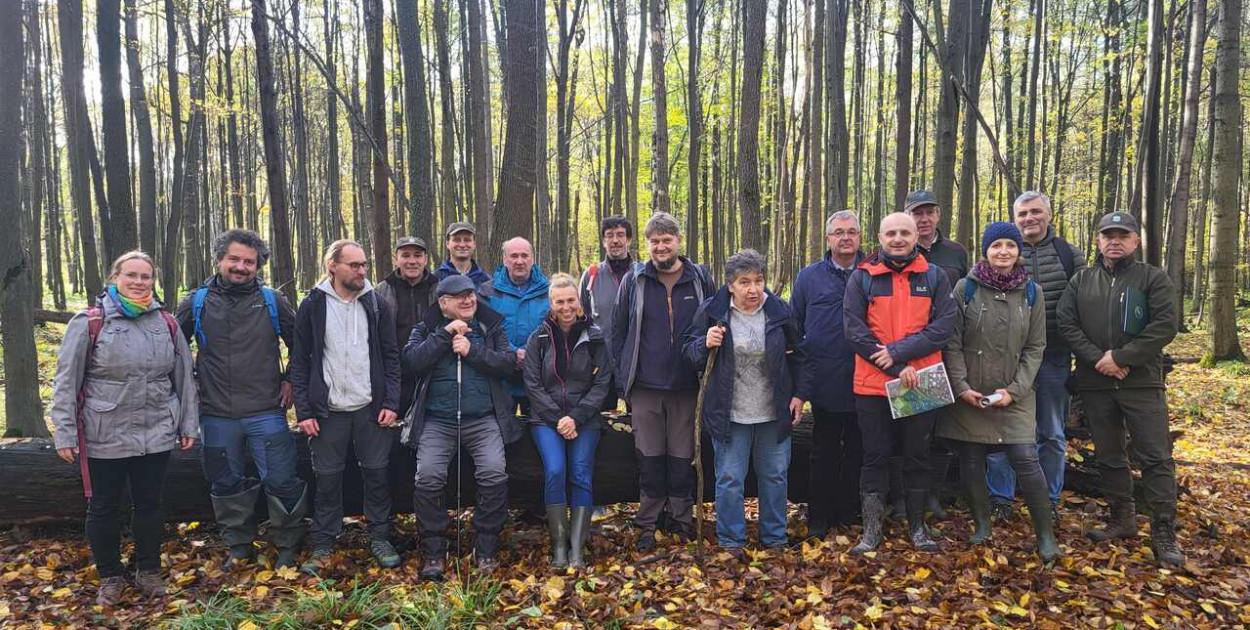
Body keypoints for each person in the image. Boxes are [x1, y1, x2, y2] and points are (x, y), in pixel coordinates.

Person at [50, 251, 198, 605]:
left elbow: (183, 378)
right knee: (103, 507)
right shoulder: (89, 322)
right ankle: (110, 577)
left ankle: (147, 571)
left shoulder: (167, 323)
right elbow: (66, 381)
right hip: (104, 432)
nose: (138, 282)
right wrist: (65, 432)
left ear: (153, 281)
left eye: (145, 276)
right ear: (115, 277)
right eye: (131, 275)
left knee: (149, 504)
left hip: (156, 430)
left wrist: (188, 423)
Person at [1057, 211, 1183, 567]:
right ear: (1098, 240)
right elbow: (1067, 323)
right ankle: (1121, 519)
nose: (1114, 241)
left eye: (1122, 235)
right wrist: (1099, 359)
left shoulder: (1152, 278)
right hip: (1096, 383)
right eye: (1108, 235)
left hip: (1141, 382)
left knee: (1155, 457)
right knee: (1110, 456)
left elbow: (1165, 325)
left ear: (1135, 241)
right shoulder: (1082, 281)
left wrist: (1124, 357)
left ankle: (1163, 530)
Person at [175, 229, 305, 569]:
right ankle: (239, 547)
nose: (241, 267)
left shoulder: (273, 301)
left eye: (249, 262)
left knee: (281, 479)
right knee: (225, 482)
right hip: (216, 413)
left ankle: (288, 546)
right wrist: (189, 387)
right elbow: (172, 351)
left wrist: (290, 379)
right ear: (219, 259)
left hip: (266, 411)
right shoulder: (196, 302)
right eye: (234, 259)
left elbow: (302, 347)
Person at [938, 222, 1060, 562]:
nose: (1003, 251)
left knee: (1025, 457)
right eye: (996, 246)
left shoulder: (1033, 293)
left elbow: (1036, 348)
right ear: (986, 250)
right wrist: (961, 388)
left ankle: (1045, 534)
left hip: (1015, 394)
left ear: (1018, 250)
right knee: (972, 459)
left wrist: (1015, 390)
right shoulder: (966, 288)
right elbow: (952, 342)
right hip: (970, 391)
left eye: (1009, 245)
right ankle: (982, 525)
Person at [843, 213, 956, 554]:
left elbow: (943, 328)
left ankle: (918, 529)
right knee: (874, 456)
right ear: (878, 237)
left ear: (915, 236)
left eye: (904, 232)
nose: (897, 238)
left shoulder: (935, 276)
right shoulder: (862, 278)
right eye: (890, 232)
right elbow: (854, 331)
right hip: (873, 384)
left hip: (922, 381)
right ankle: (872, 532)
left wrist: (898, 354)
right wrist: (895, 366)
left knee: (918, 455)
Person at [290, 240, 402, 573]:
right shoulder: (312, 305)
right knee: (326, 480)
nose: (361, 271)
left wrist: (392, 402)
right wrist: (305, 410)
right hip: (328, 412)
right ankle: (323, 544)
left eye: (363, 264)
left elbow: (391, 356)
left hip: (370, 409)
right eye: (353, 265)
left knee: (378, 476)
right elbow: (299, 360)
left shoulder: (376, 304)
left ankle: (380, 538)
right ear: (332, 266)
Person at [402, 275, 522, 580]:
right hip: (436, 421)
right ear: (444, 303)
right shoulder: (426, 327)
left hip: (483, 420)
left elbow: (508, 363)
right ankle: (433, 554)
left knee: (494, 473)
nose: (469, 300)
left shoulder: (492, 326)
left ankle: (486, 550)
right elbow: (412, 362)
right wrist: (444, 336)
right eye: (460, 297)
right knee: (428, 477)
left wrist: (472, 351)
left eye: (471, 295)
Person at [684, 250, 804, 552]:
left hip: (773, 412)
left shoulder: (779, 311)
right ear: (730, 285)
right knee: (729, 479)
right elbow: (688, 351)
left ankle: (775, 539)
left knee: (775, 477)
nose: (753, 289)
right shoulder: (713, 311)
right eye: (744, 282)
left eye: (759, 281)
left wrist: (800, 395)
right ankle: (731, 542)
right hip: (729, 413)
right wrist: (703, 343)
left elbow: (800, 356)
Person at [611, 211, 716, 552]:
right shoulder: (635, 280)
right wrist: (621, 382)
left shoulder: (699, 279)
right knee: (650, 457)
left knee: (683, 457)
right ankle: (648, 523)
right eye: (654, 242)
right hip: (645, 387)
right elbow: (619, 332)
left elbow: (715, 323)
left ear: (678, 241)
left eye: (666, 240)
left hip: (688, 386)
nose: (660, 247)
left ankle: (682, 520)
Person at [987, 191, 1085, 523]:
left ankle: (1048, 499)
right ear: (1014, 219)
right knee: (1002, 431)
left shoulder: (1068, 255)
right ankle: (1001, 498)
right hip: (1007, 359)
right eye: (1023, 214)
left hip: (1054, 357)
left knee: (1052, 433)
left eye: (1036, 212)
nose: (1029, 218)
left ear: (1049, 214)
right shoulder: (1003, 254)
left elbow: (1086, 304)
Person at [522, 273, 613, 568]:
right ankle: (559, 546)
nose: (566, 307)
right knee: (556, 470)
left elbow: (603, 384)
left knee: (581, 473)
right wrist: (558, 419)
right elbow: (532, 385)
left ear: (579, 301)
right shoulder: (538, 338)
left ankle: (577, 549)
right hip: (546, 420)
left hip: (584, 419)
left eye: (571, 300)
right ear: (551, 304)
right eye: (560, 301)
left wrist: (575, 417)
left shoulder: (595, 337)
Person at [791, 211, 866, 539]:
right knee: (822, 451)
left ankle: (849, 512)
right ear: (828, 239)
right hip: (823, 380)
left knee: (859, 450)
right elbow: (795, 327)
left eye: (851, 232)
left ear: (860, 237)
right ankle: (819, 516)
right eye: (838, 232)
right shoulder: (809, 277)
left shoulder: (873, 273)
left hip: (868, 379)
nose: (845, 237)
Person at [903, 189, 968, 520]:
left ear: (939, 215)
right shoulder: (898, 250)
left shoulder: (956, 253)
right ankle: (903, 499)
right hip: (908, 358)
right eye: (917, 213)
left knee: (938, 432)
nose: (923, 219)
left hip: (946, 353)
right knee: (910, 430)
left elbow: (968, 300)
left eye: (929, 212)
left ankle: (932, 496)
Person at [579, 216, 642, 410]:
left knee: (639, 421)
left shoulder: (643, 274)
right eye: (610, 235)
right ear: (603, 241)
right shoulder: (591, 275)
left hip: (637, 363)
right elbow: (581, 319)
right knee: (602, 422)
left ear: (629, 240)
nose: (615, 240)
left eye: (621, 235)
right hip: (601, 362)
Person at [375, 236, 440, 414]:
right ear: (396, 259)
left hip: (432, 376)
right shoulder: (381, 291)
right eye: (405, 255)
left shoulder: (439, 290)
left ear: (425, 260)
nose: (412, 261)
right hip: (393, 377)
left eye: (417, 255)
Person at [490, 237, 551, 411]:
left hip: (539, 378)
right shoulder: (488, 291)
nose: (519, 261)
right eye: (514, 256)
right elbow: (487, 330)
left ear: (532, 258)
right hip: (500, 377)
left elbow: (553, 327)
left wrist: (528, 353)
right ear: (504, 260)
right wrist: (513, 353)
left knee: (536, 431)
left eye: (524, 256)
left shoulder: (549, 291)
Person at [435, 222, 493, 294]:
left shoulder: (486, 281)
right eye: (457, 240)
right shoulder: (436, 279)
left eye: (467, 240)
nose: (462, 245)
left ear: (474, 244)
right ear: (447, 244)